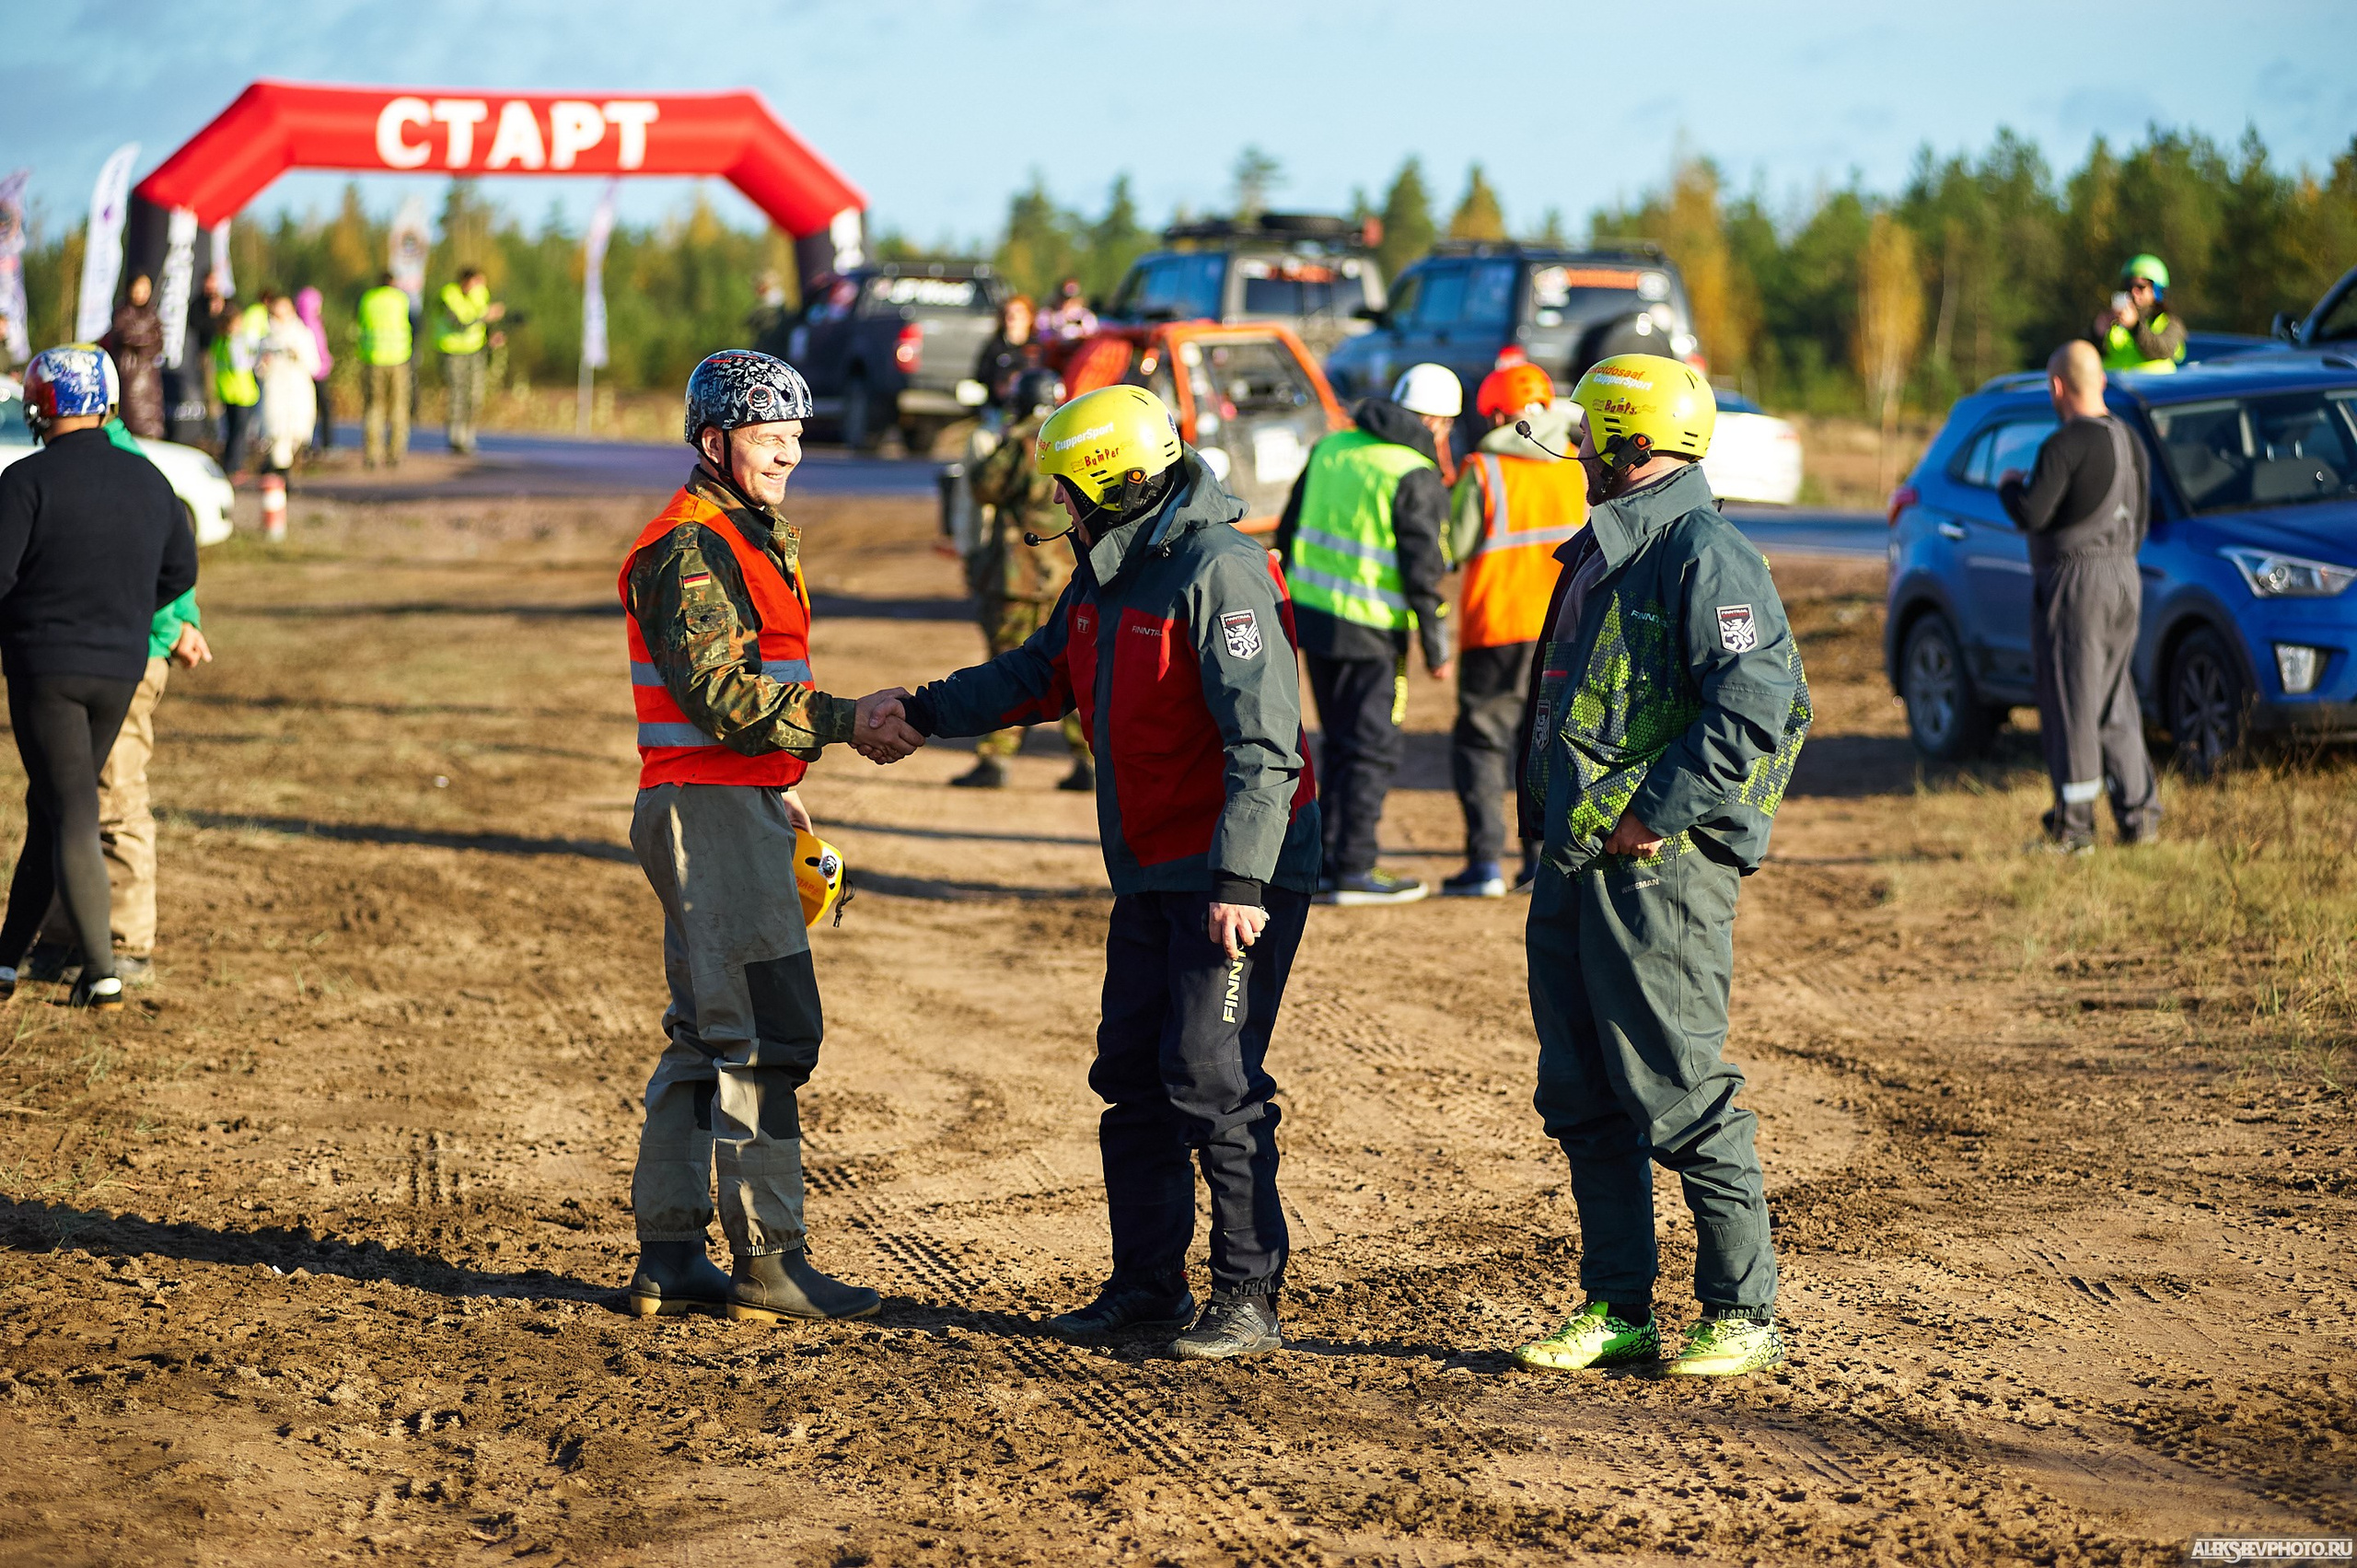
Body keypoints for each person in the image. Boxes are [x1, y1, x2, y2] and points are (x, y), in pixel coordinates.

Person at [872, 383, 1320, 1359]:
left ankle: (1248, 1295)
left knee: (1213, 1073)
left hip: (1235, 872)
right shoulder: (1106, 576)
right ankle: (1148, 1285)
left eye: (1069, 488)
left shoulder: (1221, 569)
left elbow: (1266, 744)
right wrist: (921, 709)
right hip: (1153, 866)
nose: (1058, 508)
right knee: (1132, 1073)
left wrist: (1240, 884)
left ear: (1115, 485)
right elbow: (1036, 675)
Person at [1510, 353, 1809, 1379]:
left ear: (1633, 444)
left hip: (1656, 869)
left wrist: (1651, 813)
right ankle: (1616, 1307)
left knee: (1677, 1088)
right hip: (1576, 859)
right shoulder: (1607, 547)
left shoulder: (1704, 552)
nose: (1577, 451)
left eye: (1591, 436)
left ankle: (1741, 1313)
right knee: (1583, 1088)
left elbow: (1753, 708)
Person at [618, 348, 913, 1324]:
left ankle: (670, 1255)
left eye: (795, 431)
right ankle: (771, 1263)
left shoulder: (738, 529)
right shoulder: (692, 544)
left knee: (706, 1032)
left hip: (728, 798)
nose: (788, 449)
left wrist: (781, 787)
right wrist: (843, 721)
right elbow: (719, 693)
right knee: (765, 1032)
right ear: (714, 441)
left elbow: (733, 705)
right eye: (766, 433)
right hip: (707, 808)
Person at [0, 347, 198, 1010]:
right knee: (53, 806)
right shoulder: (151, 482)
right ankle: (5, 960)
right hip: (120, 668)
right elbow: (177, 573)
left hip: (46, 669)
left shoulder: (25, 482)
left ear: (40, 404)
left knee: (74, 811)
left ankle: (102, 972)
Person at [1274, 361, 1457, 905]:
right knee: (1372, 748)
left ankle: (1328, 862)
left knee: (1339, 744)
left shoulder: (1332, 449)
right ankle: (1353, 867)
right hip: (1374, 632)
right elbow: (1424, 568)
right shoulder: (1412, 472)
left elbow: (1288, 528)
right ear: (1437, 422)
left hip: (1314, 620)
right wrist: (1437, 643)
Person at [1998, 341, 2161, 850]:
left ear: (2056, 386)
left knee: (2071, 699)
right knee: (2115, 699)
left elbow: (2032, 513)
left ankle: (2074, 829)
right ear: (2102, 382)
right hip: (2125, 576)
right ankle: (2140, 818)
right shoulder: (2131, 441)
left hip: (2076, 584)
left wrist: (2008, 486)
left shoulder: (2063, 445)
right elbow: (2143, 515)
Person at [1441, 363, 1585, 898]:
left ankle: (1483, 866)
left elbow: (1452, 547)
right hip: (1564, 629)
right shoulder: (1577, 465)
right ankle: (1537, 863)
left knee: (1482, 742)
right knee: (1544, 743)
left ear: (1499, 414)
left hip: (1497, 624)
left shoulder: (1482, 469)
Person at [953, 366, 1093, 791]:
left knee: (1008, 667)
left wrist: (1009, 436)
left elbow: (982, 486)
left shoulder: (1023, 442)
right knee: (1074, 665)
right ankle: (1089, 761)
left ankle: (996, 759)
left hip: (1017, 577)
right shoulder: (1076, 440)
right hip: (1067, 575)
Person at [255, 291, 320, 540]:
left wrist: (298, 355)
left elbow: (315, 365)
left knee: (294, 438)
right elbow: (257, 369)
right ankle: (280, 486)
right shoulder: (266, 339)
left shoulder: (302, 335)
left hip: (298, 396)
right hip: (275, 398)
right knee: (277, 440)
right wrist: (266, 363)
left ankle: (283, 477)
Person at [435, 266, 503, 455]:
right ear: (466, 281)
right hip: (453, 352)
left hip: (476, 352)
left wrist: (492, 337)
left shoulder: (480, 295)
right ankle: (456, 437)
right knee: (458, 394)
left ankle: (469, 434)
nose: (481, 286)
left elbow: (482, 324)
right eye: (477, 282)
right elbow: (460, 323)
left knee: (475, 395)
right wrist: (484, 316)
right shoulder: (449, 295)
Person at [357, 272, 413, 469]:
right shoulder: (401, 299)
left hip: (372, 358)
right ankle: (396, 453)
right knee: (399, 406)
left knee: (374, 407)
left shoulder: (368, 298)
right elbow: (413, 323)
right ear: (393, 282)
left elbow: (360, 322)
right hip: (398, 358)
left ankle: (372, 454)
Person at [2095, 254, 2186, 375]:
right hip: (2114, 391)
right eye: (2129, 286)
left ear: (2157, 290)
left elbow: (2162, 350)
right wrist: (2096, 335)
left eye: (2140, 287)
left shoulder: (2170, 323)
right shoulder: (2112, 321)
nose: (2133, 292)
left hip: (2153, 391)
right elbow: (2085, 356)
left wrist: (2135, 327)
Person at [100, 274, 167, 438]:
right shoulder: (122, 312)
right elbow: (125, 335)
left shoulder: (152, 313)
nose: (142, 293)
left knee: (151, 419)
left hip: (149, 379)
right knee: (133, 417)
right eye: (139, 288)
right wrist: (146, 340)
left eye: (146, 289)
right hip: (130, 376)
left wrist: (145, 341)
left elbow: (159, 341)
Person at [211, 292, 265, 474]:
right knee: (239, 433)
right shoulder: (234, 342)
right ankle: (235, 468)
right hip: (241, 393)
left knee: (231, 432)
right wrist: (257, 361)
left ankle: (228, 465)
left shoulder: (218, 341)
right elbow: (241, 364)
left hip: (227, 391)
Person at [973, 295, 1039, 406]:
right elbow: (981, 375)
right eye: (1008, 313)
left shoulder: (1038, 347)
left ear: (1029, 317)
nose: (1012, 318)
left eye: (1019, 313)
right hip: (998, 406)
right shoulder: (994, 346)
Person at [296, 286, 334, 449]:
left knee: (320, 408)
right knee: (315, 408)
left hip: (319, 370)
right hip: (313, 372)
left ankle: (321, 442)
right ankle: (321, 443)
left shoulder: (313, 322)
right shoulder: (307, 325)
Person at [1039, 278, 1097, 343]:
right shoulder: (1048, 315)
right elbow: (1043, 338)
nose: (1068, 303)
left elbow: (1092, 337)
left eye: (1072, 299)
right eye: (1065, 298)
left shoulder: (1086, 316)